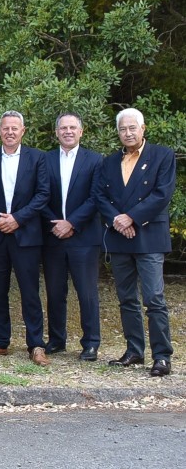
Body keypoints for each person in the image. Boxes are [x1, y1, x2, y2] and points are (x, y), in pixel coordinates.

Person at [96, 108, 175, 377]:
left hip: (149, 237)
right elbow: (100, 197)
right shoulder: (108, 162)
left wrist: (131, 218)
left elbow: (162, 194)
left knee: (154, 298)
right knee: (126, 298)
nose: (127, 133)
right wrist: (118, 220)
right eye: (122, 129)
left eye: (132, 128)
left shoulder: (162, 156)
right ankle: (134, 351)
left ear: (143, 129)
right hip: (119, 238)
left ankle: (162, 356)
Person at [0, 111, 50, 366]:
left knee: (30, 292)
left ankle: (36, 344)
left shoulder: (37, 158)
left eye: (15, 128)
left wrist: (17, 218)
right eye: (6, 128)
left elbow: (42, 194)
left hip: (25, 234)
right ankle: (1, 342)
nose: (10, 132)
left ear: (23, 131)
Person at [41, 113, 103, 362]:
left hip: (84, 237)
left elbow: (96, 197)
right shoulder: (45, 160)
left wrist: (72, 223)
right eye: (63, 128)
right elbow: (39, 195)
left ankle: (90, 343)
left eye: (72, 127)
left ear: (81, 131)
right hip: (53, 235)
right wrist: (55, 223)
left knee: (86, 292)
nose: (68, 131)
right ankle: (57, 340)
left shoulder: (96, 160)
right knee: (55, 292)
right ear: (56, 132)